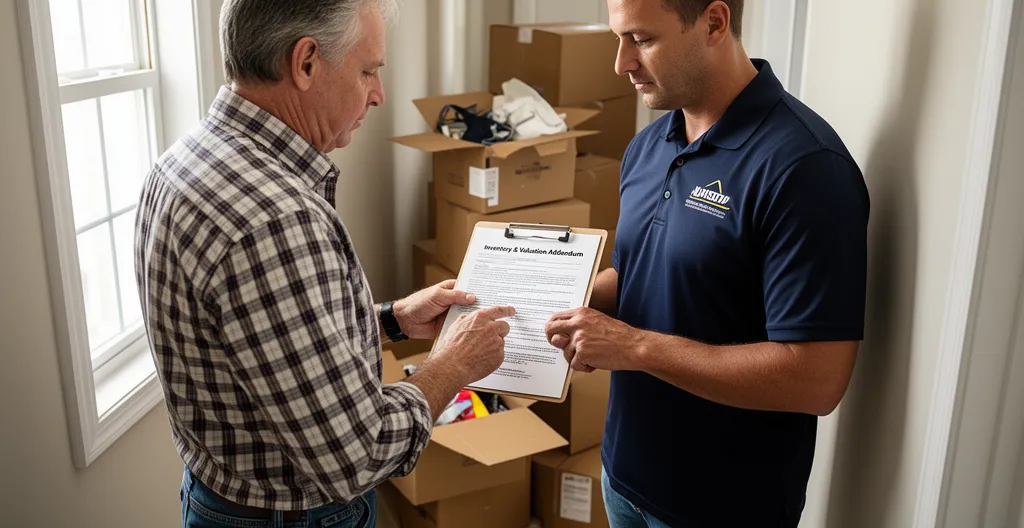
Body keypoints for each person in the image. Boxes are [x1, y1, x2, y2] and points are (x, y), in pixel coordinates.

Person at [134, 1, 514, 526]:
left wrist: (392, 320)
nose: (378, 93)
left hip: (218, 495)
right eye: (368, 70)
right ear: (306, 62)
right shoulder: (274, 218)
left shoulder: (184, 160)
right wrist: (454, 364)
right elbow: (360, 454)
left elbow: (266, 346)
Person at [545, 1, 869, 526]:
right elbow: (640, 273)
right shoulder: (649, 145)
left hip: (724, 504)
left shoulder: (805, 169)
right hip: (624, 477)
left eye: (641, 39)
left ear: (715, 23)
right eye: (618, 38)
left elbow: (817, 380)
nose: (621, 62)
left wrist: (633, 346)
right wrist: (558, 296)